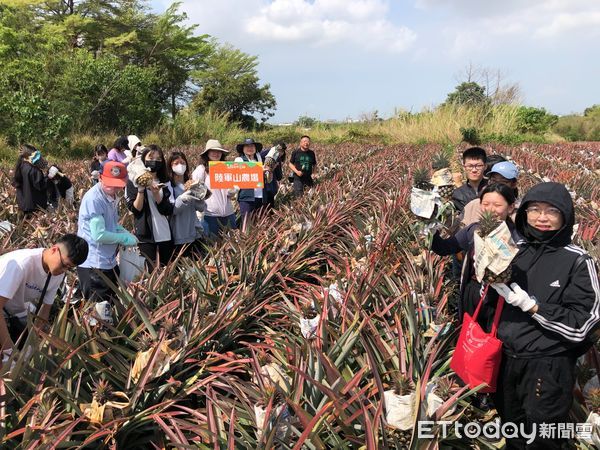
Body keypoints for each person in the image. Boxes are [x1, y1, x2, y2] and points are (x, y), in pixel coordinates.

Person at [489, 182, 600, 450]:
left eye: (551, 211)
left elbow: (584, 322)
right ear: (524, 213)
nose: (542, 217)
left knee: (545, 438)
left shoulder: (577, 261)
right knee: (512, 430)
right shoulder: (515, 252)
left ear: (565, 216)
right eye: (535, 209)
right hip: (506, 360)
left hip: (548, 365)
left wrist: (534, 306)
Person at [430, 183, 521, 329]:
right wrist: (431, 228)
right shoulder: (474, 230)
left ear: (510, 207)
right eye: (485, 204)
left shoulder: (517, 237)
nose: (491, 209)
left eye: (497, 205)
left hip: (505, 297)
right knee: (471, 334)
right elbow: (444, 248)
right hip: (474, 293)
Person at [0, 234, 88, 361]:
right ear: (53, 250)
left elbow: (44, 311)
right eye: (64, 264)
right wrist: (9, 352)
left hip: (14, 311)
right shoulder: (21, 265)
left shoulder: (56, 273)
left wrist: (36, 342)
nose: (64, 270)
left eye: (69, 268)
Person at [78, 161, 137, 317]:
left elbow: (111, 225)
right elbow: (99, 235)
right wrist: (123, 238)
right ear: (101, 178)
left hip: (107, 260)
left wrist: (123, 231)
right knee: (98, 313)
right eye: (109, 183)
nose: (113, 187)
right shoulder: (94, 199)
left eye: (117, 184)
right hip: (94, 264)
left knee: (110, 306)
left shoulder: (110, 195)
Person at [125, 145, 174, 269]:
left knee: (166, 270)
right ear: (143, 158)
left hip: (165, 233)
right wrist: (141, 190)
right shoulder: (133, 181)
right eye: (151, 157)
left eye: (158, 158)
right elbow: (136, 209)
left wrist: (157, 194)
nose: (154, 161)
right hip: (145, 235)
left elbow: (167, 209)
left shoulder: (165, 180)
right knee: (149, 271)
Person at [191, 139, 237, 239]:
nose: (216, 154)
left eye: (219, 151)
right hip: (210, 214)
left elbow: (230, 192)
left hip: (229, 213)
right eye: (213, 151)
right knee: (214, 246)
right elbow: (194, 188)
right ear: (207, 153)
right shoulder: (201, 169)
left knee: (232, 245)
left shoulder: (226, 168)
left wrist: (233, 190)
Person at [167, 151, 206, 257]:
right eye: (176, 163)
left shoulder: (191, 183)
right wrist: (185, 196)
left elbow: (201, 208)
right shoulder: (169, 185)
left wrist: (200, 197)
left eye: (183, 162)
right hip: (179, 233)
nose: (180, 165)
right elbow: (174, 210)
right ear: (170, 166)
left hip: (195, 231)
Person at [462, 161, 519, 227]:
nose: (497, 185)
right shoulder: (474, 205)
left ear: (514, 184)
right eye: (494, 181)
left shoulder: (520, 211)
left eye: (503, 182)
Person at [12, 144, 48, 215]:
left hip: (23, 206)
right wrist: (48, 177)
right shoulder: (33, 169)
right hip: (35, 208)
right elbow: (41, 186)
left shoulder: (20, 166)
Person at [234, 138, 265, 220]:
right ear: (243, 149)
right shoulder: (239, 160)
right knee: (246, 221)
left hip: (259, 195)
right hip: (246, 196)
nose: (250, 148)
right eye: (247, 146)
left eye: (252, 146)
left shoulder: (258, 160)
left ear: (255, 148)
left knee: (257, 220)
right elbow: (240, 173)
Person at [451, 146, 488, 213]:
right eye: (470, 166)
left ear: (485, 166)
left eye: (478, 166)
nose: (474, 170)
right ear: (464, 167)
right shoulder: (458, 194)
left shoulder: (493, 188)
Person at [260, 142, 286, 209]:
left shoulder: (260, 155)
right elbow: (279, 176)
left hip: (261, 188)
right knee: (269, 208)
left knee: (261, 210)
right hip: (269, 188)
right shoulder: (276, 157)